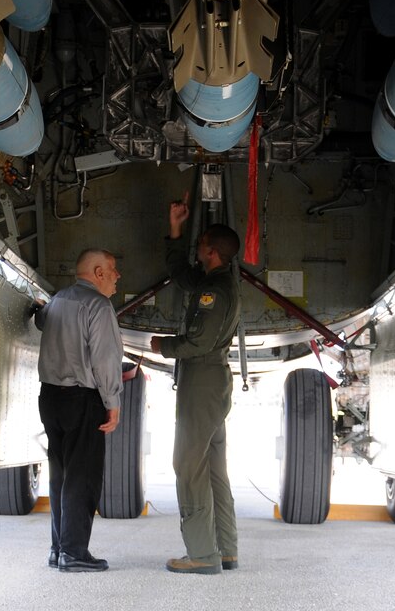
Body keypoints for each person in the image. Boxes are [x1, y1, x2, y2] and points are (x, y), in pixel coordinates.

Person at [150, 193, 241, 575]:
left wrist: (163, 346)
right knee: (214, 468)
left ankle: (202, 554)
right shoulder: (215, 281)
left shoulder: (215, 292)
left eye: (201, 245)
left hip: (202, 380)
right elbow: (182, 277)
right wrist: (175, 229)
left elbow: (199, 342)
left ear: (213, 252)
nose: (198, 249)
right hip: (211, 383)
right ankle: (225, 549)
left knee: (188, 465)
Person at [34, 248, 124, 573]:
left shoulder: (58, 300)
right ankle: (74, 552)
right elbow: (105, 359)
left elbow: (41, 319)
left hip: (50, 398)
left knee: (60, 474)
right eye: (113, 269)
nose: (117, 276)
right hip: (82, 398)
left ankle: (58, 549)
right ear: (97, 272)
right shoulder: (98, 306)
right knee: (82, 476)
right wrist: (112, 403)